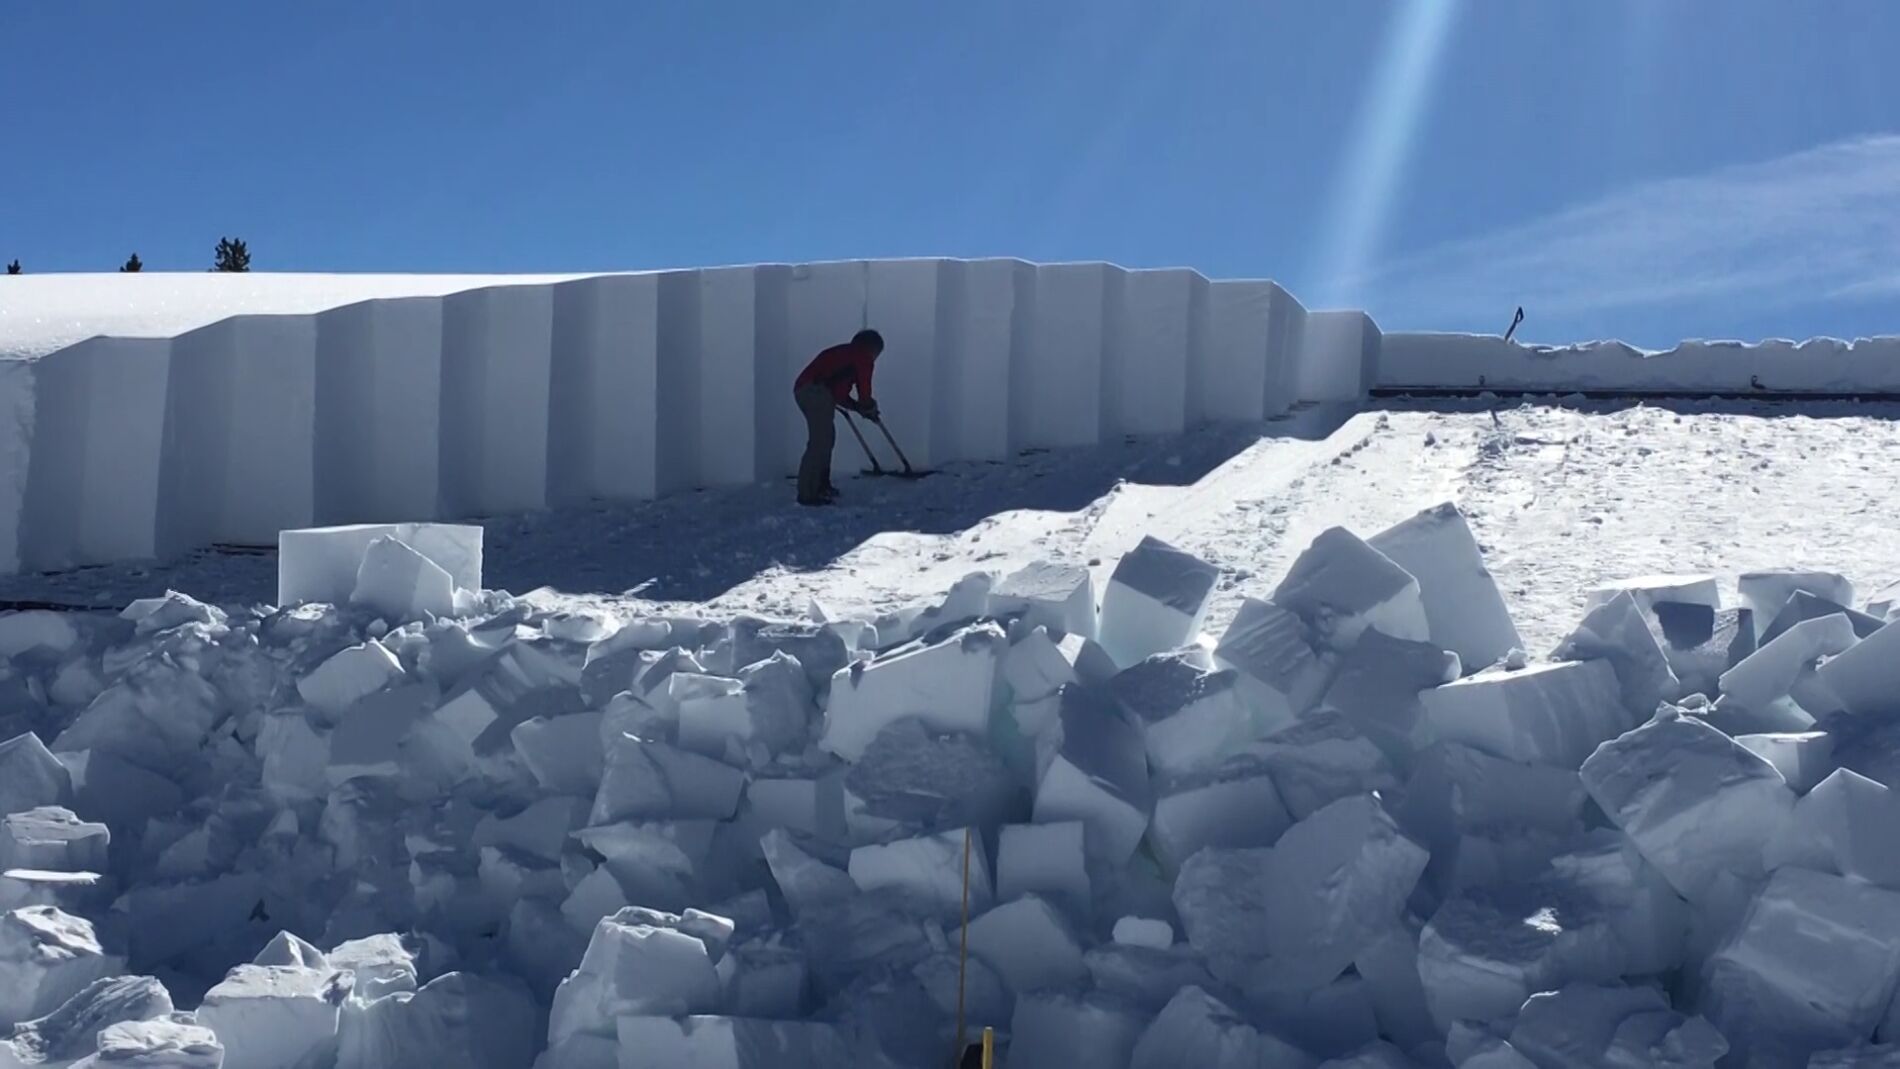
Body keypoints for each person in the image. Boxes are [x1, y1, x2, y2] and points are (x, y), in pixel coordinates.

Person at [792, 328, 884, 506]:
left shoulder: (844, 354)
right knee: (820, 441)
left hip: (810, 390)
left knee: (826, 439)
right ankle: (808, 492)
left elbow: (838, 392)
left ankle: (821, 485)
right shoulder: (862, 356)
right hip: (815, 391)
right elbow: (864, 389)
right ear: (872, 348)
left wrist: (859, 408)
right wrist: (867, 406)